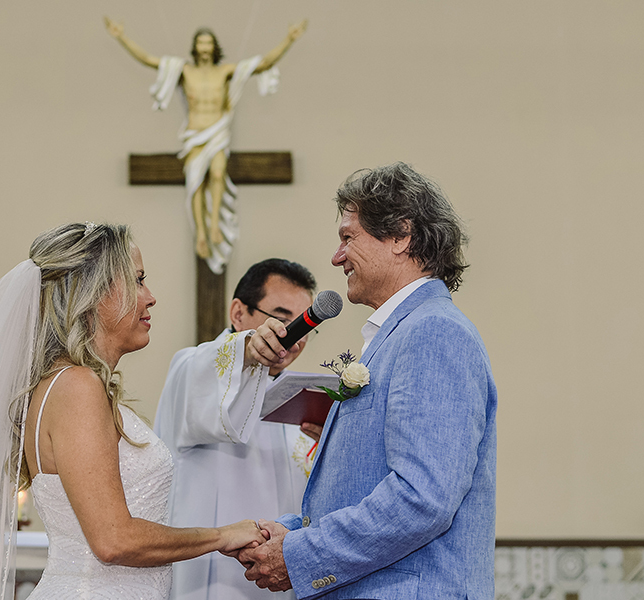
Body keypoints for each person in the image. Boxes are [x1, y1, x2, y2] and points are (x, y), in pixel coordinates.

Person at [0, 222, 266, 600]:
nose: (150, 296)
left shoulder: (69, 384)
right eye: (138, 280)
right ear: (94, 294)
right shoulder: (76, 386)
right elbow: (113, 540)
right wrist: (220, 536)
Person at [238, 163, 498, 599]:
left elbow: (422, 499)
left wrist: (300, 555)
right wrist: (284, 532)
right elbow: (366, 489)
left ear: (400, 235)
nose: (336, 257)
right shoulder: (401, 335)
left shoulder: (434, 332)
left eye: (347, 237)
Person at [154, 258, 319, 600]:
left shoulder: (298, 392)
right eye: (282, 318)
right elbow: (211, 367)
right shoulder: (191, 368)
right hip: (210, 576)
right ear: (238, 312)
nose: (296, 336)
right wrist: (248, 348)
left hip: (277, 575)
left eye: (306, 324)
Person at [104, 18, 307, 273]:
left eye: (208, 42)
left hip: (218, 132)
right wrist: (121, 37)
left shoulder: (224, 72)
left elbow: (262, 64)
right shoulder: (184, 71)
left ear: (214, 47)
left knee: (219, 172)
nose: (204, 46)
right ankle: (201, 231)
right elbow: (147, 59)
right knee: (196, 182)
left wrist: (289, 39)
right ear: (195, 46)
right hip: (195, 134)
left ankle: (213, 227)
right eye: (200, 42)